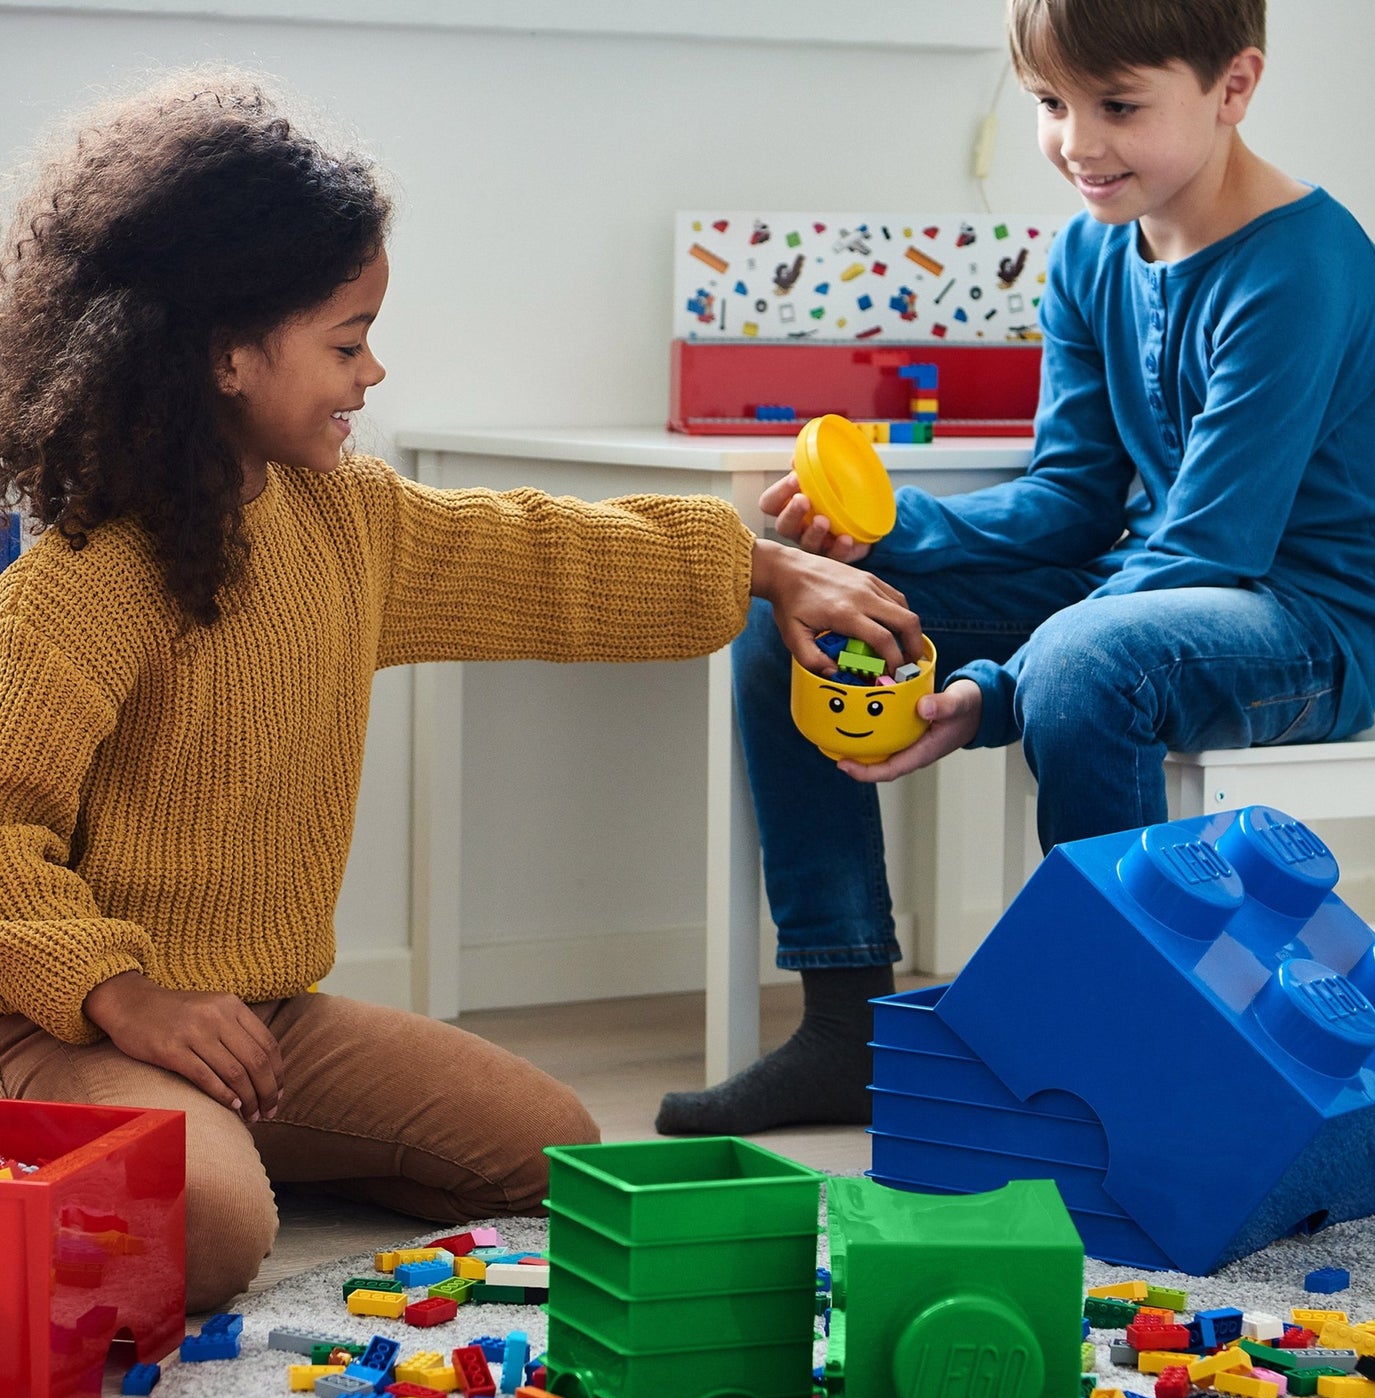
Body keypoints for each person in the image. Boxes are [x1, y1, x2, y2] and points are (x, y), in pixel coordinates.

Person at [0, 72, 922, 1311]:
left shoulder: (345, 520)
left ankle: (202, 1134)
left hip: (265, 1020)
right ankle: (131, 1147)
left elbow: (539, 556)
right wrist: (127, 996)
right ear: (224, 352)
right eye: (345, 341)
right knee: (210, 1234)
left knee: (552, 1151)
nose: (373, 372)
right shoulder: (85, 578)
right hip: (68, 1020)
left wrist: (762, 568)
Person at [656, 0, 1375, 1137]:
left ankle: (1123, 1051)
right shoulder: (1090, 251)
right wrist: (885, 540)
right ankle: (844, 1016)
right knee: (805, 617)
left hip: (1307, 624)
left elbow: (1213, 542)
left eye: (1118, 106)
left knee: (1080, 666)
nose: (1078, 141)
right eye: (1052, 105)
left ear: (1233, 85)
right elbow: (1072, 498)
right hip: (1150, 588)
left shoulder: (1299, 269)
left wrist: (999, 687)